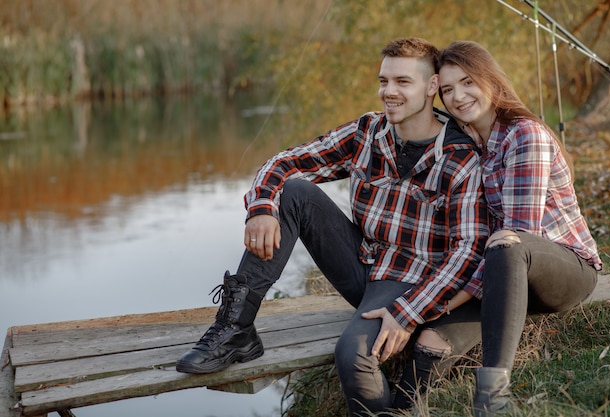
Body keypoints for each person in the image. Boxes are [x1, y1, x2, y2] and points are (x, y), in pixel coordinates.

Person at [176, 37, 489, 416]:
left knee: (352, 354)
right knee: (293, 192)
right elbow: (286, 161)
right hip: (363, 263)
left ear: (431, 87)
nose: (388, 92)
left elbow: (468, 251)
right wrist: (261, 206)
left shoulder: (460, 157)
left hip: (412, 280)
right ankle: (236, 329)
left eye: (402, 82)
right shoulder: (367, 133)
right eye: (383, 81)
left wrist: (408, 312)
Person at [437, 40, 602, 417]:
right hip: (505, 276)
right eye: (447, 89)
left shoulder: (523, 134)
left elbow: (519, 232)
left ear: (491, 81)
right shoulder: (468, 143)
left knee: (507, 244)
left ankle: (493, 397)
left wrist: (455, 298)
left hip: (564, 269)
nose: (458, 96)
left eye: (467, 82)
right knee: (429, 343)